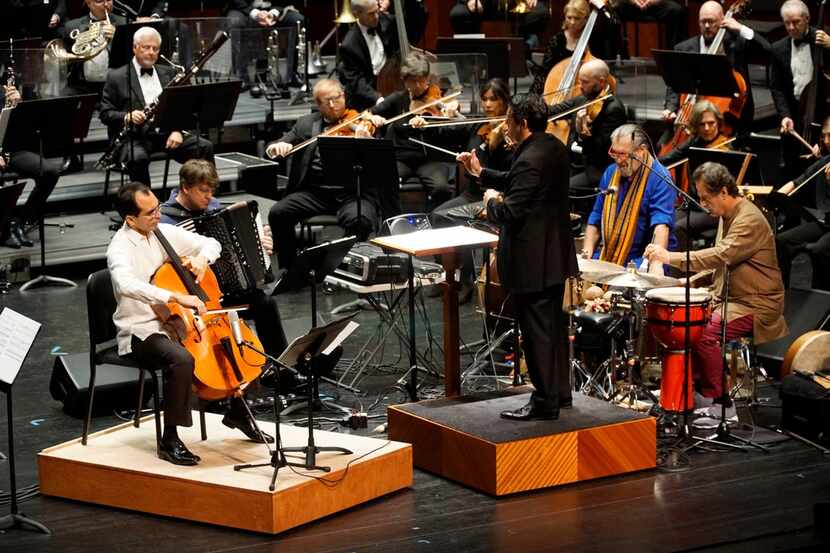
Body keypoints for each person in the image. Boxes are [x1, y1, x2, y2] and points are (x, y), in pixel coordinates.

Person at [107, 182, 273, 466]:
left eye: (158, 208)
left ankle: (238, 411)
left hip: (182, 322)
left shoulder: (161, 232)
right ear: (130, 219)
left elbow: (212, 243)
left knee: (240, 341)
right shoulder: (119, 249)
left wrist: (200, 259)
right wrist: (175, 296)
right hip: (142, 330)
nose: (158, 216)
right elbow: (126, 284)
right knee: (181, 359)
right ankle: (170, 439)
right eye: (150, 213)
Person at [457, 94, 578, 421]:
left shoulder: (529, 158)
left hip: (533, 260)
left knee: (537, 332)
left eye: (510, 120)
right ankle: (559, 394)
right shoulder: (552, 146)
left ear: (522, 123)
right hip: (554, 256)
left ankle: (543, 401)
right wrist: (482, 173)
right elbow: (521, 181)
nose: (506, 126)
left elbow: (510, 211)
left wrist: (491, 200)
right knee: (552, 329)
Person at [645, 162, 787, 400]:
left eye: (706, 198)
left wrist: (670, 257)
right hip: (728, 298)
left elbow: (722, 254)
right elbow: (723, 263)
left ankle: (718, 398)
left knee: (701, 331)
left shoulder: (748, 220)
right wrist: (688, 282)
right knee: (682, 322)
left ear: (723, 192)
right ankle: (692, 389)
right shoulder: (726, 215)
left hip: (757, 304)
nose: (702, 205)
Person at [159, 160, 288, 358]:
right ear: (185, 188)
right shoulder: (166, 220)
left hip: (226, 289)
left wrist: (260, 244)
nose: (209, 196)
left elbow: (233, 249)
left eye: (212, 190)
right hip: (196, 297)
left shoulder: (212, 206)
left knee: (265, 303)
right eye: (203, 190)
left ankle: (281, 365)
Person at [266, 79, 386, 270]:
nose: (332, 105)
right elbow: (279, 143)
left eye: (336, 98)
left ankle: (342, 267)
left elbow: (379, 162)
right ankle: (290, 268)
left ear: (343, 96)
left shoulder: (362, 121)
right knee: (278, 212)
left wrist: (367, 142)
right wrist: (277, 147)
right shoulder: (306, 123)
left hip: (353, 193)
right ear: (318, 104)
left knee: (361, 220)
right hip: (315, 193)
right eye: (325, 101)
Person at [429, 78, 514, 302]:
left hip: (494, 195)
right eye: (484, 99)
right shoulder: (480, 126)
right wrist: (428, 119)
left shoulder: (510, 133)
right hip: (473, 192)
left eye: (493, 100)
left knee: (457, 221)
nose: (487, 104)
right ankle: (447, 273)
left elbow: (507, 171)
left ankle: (467, 280)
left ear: (505, 101)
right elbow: (451, 133)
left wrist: (492, 147)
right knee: (436, 216)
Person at [99, 26, 214, 186]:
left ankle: (202, 195)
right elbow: (105, 113)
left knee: (204, 147)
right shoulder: (116, 76)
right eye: (146, 47)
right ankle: (147, 206)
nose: (151, 52)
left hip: (165, 133)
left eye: (155, 49)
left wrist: (177, 130)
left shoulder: (169, 73)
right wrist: (127, 116)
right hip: (134, 136)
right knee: (137, 158)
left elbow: (181, 108)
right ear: (135, 48)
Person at [662, 1, 770, 134]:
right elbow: (675, 83)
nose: (707, 26)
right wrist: (670, 108)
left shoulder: (737, 45)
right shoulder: (683, 48)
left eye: (712, 21)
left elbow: (767, 50)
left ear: (722, 20)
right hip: (690, 119)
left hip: (728, 120)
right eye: (703, 21)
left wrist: (740, 28)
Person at [371, 51, 460, 211]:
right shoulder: (398, 99)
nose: (418, 86)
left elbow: (454, 127)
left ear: (428, 78)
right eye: (413, 81)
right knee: (385, 182)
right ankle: (393, 222)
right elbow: (368, 113)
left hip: (428, 160)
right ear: (405, 81)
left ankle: (433, 222)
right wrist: (374, 119)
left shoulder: (437, 100)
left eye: (422, 80)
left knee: (441, 188)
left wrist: (451, 112)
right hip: (401, 158)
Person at [582, 123, 676, 271]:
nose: (618, 160)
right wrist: (586, 253)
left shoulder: (661, 178)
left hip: (642, 259)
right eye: (614, 153)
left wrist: (656, 263)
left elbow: (661, 226)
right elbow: (596, 216)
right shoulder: (610, 172)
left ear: (641, 151)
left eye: (623, 154)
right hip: (609, 253)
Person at [545, 59, 627, 217]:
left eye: (585, 82)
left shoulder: (613, 109)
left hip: (596, 170)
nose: (580, 86)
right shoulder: (582, 100)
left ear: (601, 81)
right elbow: (554, 111)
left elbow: (603, 151)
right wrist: (530, 107)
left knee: (559, 189)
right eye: (579, 81)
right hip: (574, 163)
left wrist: (583, 134)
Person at [658, 100, 731, 248]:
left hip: (713, 210)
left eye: (711, 123)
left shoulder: (727, 148)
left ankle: (685, 268)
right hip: (692, 205)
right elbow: (669, 158)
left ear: (718, 122)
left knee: (679, 228)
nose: (707, 128)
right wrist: (647, 160)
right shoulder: (695, 142)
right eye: (702, 124)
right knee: (664, 222)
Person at [770, 0, 830, 178]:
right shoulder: (778, 48)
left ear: (807, 19)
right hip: (795, 115)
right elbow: (777, 87)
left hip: (823, 114)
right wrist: (785, 115)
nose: (791, 27)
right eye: (787, 23)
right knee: (792, 169)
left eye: (796, 22)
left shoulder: (823, 39)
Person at [0, 83, 61, 249]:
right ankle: (3, 228)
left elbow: (24, 127)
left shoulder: (3, 87)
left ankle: (20, 221)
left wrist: (17, 106)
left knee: (49, 172)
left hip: (12, 150)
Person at [775, 116, 830, 291]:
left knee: (819, 250)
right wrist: (774, 197)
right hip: (825, 221)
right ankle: (782, 295)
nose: (827, 142)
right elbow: (798, 183)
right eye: (824, 137)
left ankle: (823, 303)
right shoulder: (825, 162)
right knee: (782, 240)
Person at [529, 0, 611, 95]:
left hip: (587, 91)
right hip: (559, 88)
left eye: (577, 18)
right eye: (569, 17)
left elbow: (613, 24)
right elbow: (544, 73)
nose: (572, 22)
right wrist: (531, 97)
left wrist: (602, 7)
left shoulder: (593, 39)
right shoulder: (557, 41)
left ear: (586, 19)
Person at [223, 1, 304, 89]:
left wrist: (274, 13)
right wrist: (255, 13)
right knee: (234, 22)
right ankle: (241, 76)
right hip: (243, 8)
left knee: (298, 20)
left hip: (274, 7)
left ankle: (292, 74)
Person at [337, 0, 399, 111]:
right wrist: (378, 98)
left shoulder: (385, 21)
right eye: (371, 14)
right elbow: (356, 81)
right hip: (367, 94)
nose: (376, 17)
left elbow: (411, 27)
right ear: (357, 14)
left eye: (377, 11)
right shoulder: (349, 45)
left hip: (390, 80)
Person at [60, 0, 124, 97]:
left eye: (109, 0)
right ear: (88, 3)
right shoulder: (72, 26)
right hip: (82, 89)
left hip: (115, 88)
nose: (106, 4)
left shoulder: (124, 23)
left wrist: (118, 37)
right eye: (100, 1)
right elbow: (65, 60)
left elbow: (131, 56)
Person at [449, 0, 549, 50]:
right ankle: (474, 52)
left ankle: (522, 48)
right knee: (458, 14)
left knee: (541, 13)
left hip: (516, 5)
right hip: (483, 5)